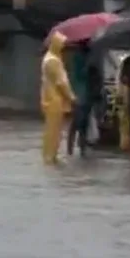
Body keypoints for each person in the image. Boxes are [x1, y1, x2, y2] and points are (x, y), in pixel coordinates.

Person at [40, 32, 76, 164]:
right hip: (54, 99)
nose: (64, 48)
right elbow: (61, 83)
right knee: (54, 130)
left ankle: (50, 156)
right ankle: (50, 157)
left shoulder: (50, 58)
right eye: (62, 45)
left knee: (53, 129)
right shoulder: (53, 61)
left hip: (50, 98)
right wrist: (71, 97)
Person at [66, 44, 103, 157]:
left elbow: (95, 80)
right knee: (77, 123)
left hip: (85, 97)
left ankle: (79, 149)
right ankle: (72, 150)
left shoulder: (88, 62)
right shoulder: (79, 61)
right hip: (79, 97)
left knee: (83, 124)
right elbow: (79, 76)